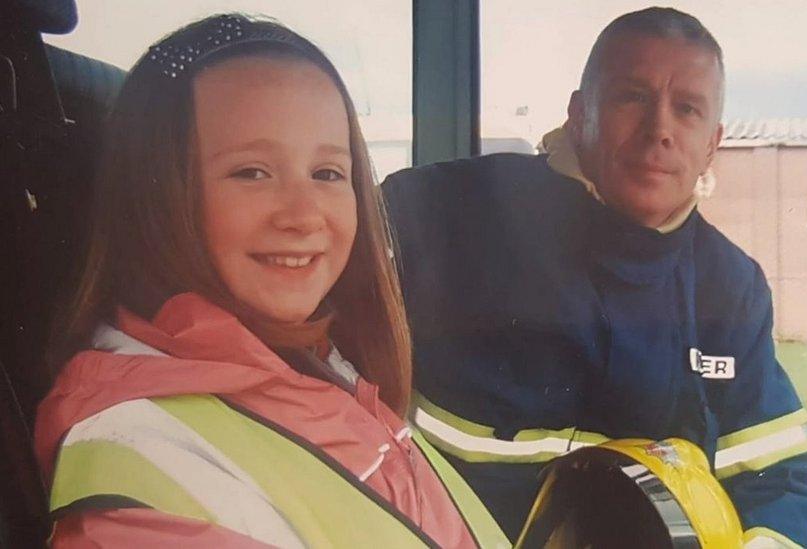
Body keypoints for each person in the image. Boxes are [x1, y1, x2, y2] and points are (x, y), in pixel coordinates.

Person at [33, 14, 506, 548]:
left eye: (328, 173)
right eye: (251, 172)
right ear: (156, 197)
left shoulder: (323, 368)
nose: (304, 216)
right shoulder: (146, 467)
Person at [383, 7, 807, 548]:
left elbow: (776, 475)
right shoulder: (441, 212)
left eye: (686, 109)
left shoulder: (730, 288)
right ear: (578, 113)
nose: (659, 129)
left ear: (712, 143)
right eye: (631, 97)